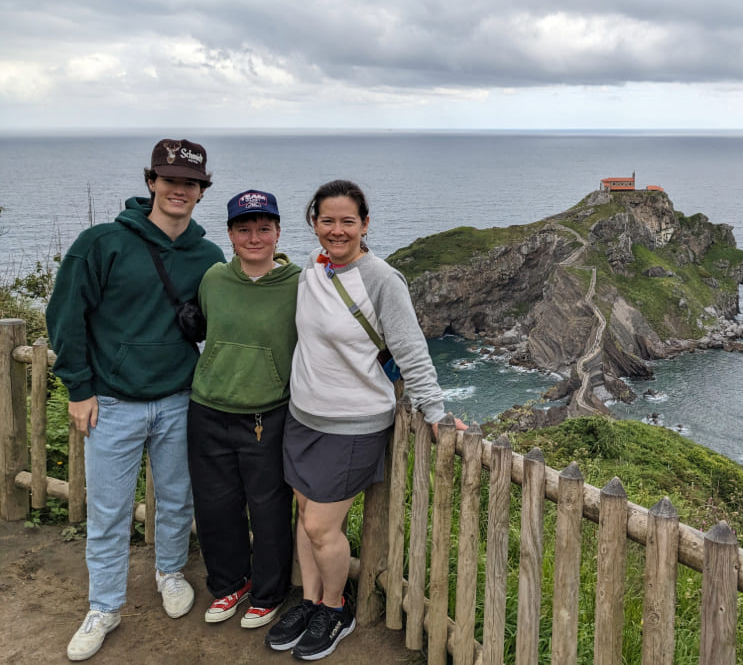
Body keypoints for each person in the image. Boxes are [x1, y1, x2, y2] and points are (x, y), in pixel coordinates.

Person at [264, 180, 466, 660]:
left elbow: (411, 351)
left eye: (347, 221)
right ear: (314, 224)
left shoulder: (381, 278)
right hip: (302, 417)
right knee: (305, 516)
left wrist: (434, 411)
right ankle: (311, 601)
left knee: (319, 526)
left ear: (365, 224)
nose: (337, 230)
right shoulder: (310, 271)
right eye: (327, 221)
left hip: (353, 423)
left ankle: (336, 609)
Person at [46, 139, 224, 661]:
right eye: (169, 180)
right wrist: (79, 389)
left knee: (175, 498)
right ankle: (104, 605)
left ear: (200, 191)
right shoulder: (101, 243)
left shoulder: (208, 256)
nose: (179, 190)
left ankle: (170, 572)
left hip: (178, 398)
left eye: (189, 183)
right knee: (107, 511)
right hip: (114, 403)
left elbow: (218, 323)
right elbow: (65, 317)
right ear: (151, 182)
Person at [187, 190, 299, 629]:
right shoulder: (213, 278)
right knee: (215, 505)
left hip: (267, 414)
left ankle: (269, 592)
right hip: (208, 408)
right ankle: (228, 584)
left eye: (263, 228)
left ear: (277, 233)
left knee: (269, 507)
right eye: (244, 229)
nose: (254, 237)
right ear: (230, 234)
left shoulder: (298, 283)